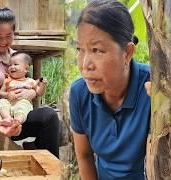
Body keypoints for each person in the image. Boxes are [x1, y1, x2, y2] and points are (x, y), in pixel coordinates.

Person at [69, 0, 151, 179]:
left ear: (127, 53)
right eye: (80, 49)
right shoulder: (79, 94)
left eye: (97, 50)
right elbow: (84, 156)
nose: (85, 65)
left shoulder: (154, 90)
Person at [0, 7, 60, 158]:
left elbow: (30, 84)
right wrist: (2, 120)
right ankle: (33, 148)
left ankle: (51, 167)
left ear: (14, 33)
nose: (3, 41)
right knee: (5, 111)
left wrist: (32, 92)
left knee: (50, 116)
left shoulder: (17, 56)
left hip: (20, 114)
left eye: (8, 35)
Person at [0, 52, 47, 124]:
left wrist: (43, 85)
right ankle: (7, 118)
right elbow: (1, 93)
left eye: (16, 64)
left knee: (23, 106)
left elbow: (39, 93)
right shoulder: (7, 81)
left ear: (26, 68)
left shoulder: (30, 81)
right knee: (1, 102)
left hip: (22, 103)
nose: (12, 67)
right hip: (9, 103)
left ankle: (17, 121)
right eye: (10, 65)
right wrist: (7, 94)